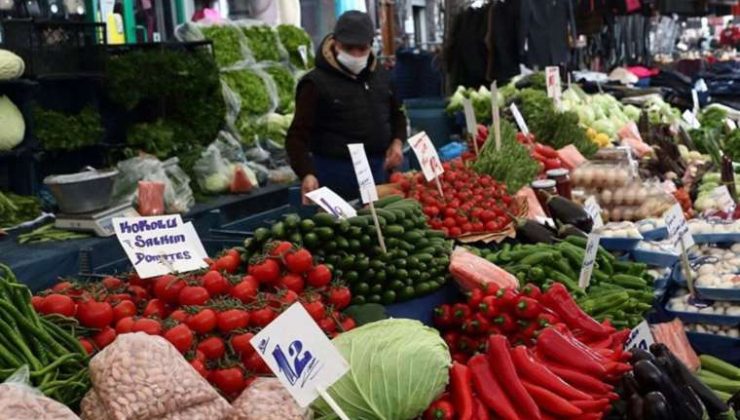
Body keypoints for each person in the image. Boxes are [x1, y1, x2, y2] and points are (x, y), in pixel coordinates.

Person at [285, 11, 406, 202]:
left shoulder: (382, 76)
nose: (356, 54)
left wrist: (398, 142)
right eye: (349, 48)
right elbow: (296, 137)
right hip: (334, 173)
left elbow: (397, 115)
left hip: (377, 170)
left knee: (380, 225)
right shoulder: (314, 83)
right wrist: (306, 173)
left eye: (362, 48)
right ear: (335, 42)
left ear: (371, 45)